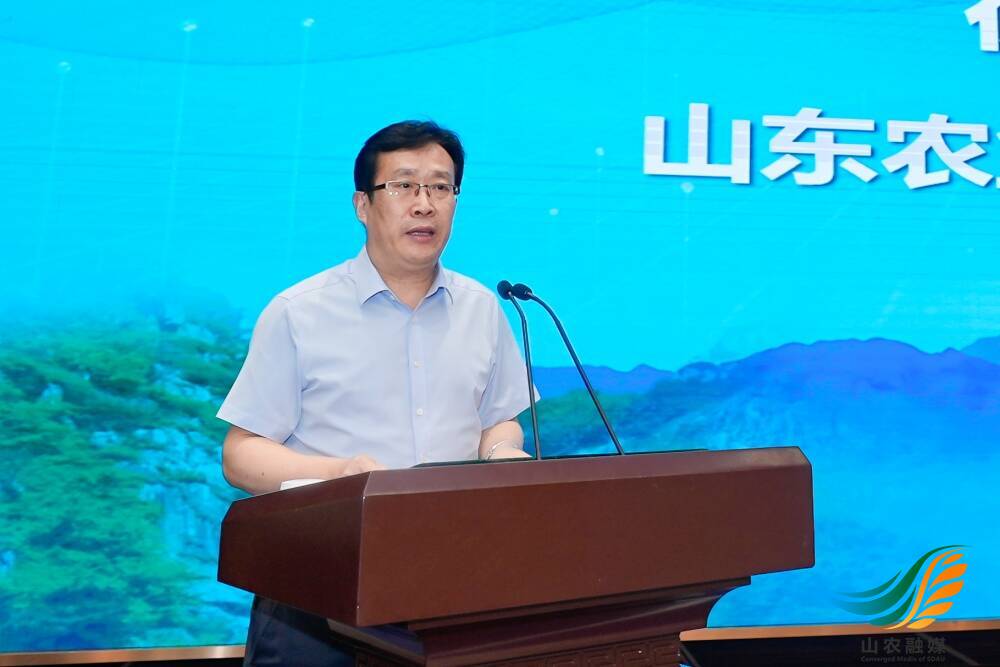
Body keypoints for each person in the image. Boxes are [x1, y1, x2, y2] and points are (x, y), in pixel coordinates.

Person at [218, 120, 534, 666]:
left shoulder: (482, 308)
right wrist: (342, 475)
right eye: (404, 185)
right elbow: (240, 454)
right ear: (363, 205)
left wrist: (503, 453)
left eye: (440, 187)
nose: (424, 204)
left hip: (454, 579)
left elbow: (497, 420)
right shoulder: (299, 311)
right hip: (318, 582)